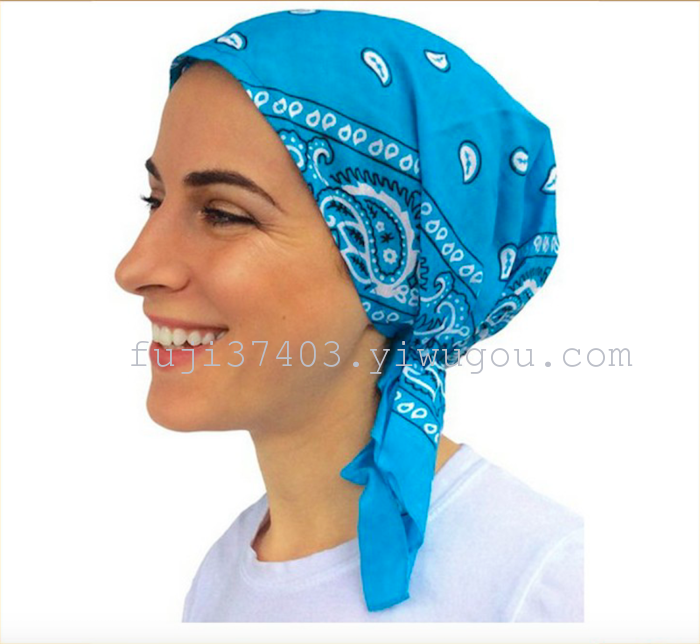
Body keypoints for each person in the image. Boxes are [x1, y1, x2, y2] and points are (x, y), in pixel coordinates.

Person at [114, 8, 583, 622]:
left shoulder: (541, 587)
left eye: (224, 214)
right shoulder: (223, 576)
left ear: (397, 266)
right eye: (154, 200)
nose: (134, 267)